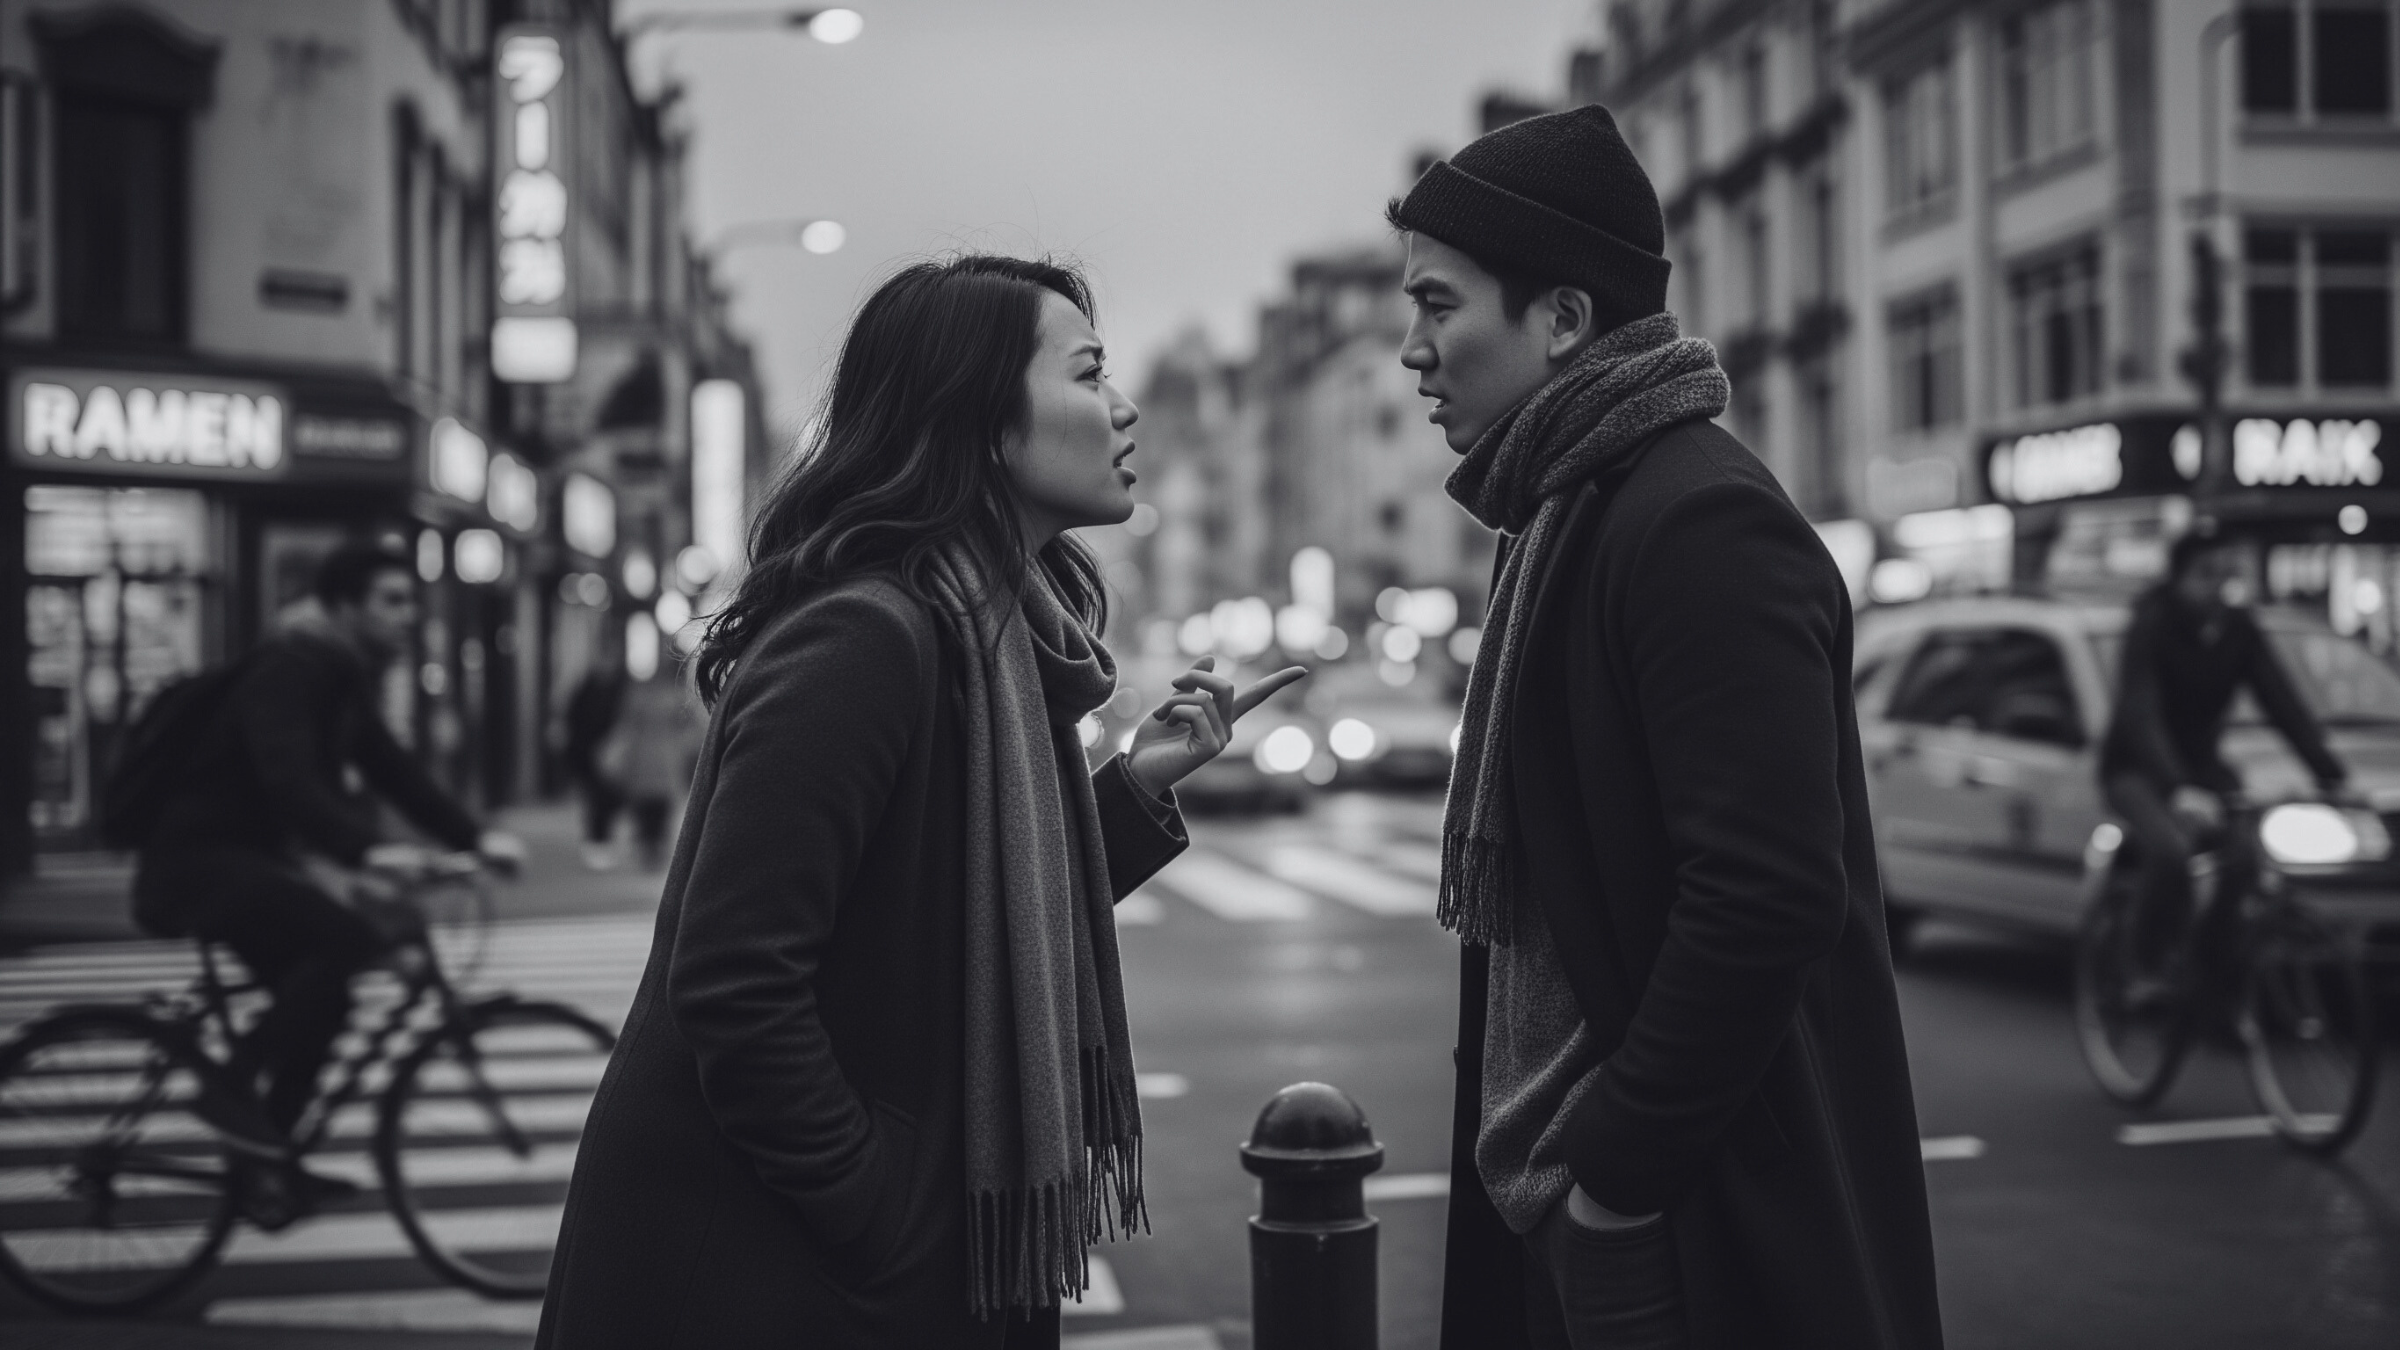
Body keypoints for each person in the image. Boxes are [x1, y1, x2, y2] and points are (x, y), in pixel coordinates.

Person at [537, 255, 1306, 1349]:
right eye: (1088, 375)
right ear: (982, 424)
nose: (1124, 407)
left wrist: (1133, 787)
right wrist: (878, 1209)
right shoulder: (868, 635)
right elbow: (736, 978)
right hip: (762, 1274)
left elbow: (966, 902)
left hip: (846, 1260)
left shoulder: (977, 628)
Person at [1388, 106, 1943, 1349]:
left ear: (1565, 319)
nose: (1410, 349)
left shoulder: (1694, 522)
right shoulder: (1571, 513)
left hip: (1689, 1215)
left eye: (1437, 304)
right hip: (1590, 1191)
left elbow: (1763, 894)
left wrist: (1615, 1178)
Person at [132, 540, 523, 1162]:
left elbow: (395, 771)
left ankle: (270, 1161)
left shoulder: (338, 677)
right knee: (343, 939)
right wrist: (364, 851)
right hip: (198, 861)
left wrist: (472, 838)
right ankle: (230, 1091)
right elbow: (289, 781)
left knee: (327, 990)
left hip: (247, 861)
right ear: (343, 607)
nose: (408, 615)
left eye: (411, 602)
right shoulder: (290, 669)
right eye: (391, 601)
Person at [2099, 534, 2347, 972]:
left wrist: (2327, 770)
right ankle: (2143, 966)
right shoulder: (2152, 623)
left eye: (2224, 574)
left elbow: (2280, 699)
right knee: (2171, 854)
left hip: (2201, 766)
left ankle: (2215, 984)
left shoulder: (2239, 630)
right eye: (2204, 575)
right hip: (2136, 768)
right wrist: (2177, 787)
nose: (2217, 586)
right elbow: (2142, 712)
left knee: (2245, 859)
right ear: (2177, 579)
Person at [595, 668, 705, 869]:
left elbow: (624, 726)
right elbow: (694, 729)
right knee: (658, 805)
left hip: (644, 756)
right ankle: (654, 847)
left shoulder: (637, 695)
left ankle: (647, 846)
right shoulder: (676, 696)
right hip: (666, 756)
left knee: (646, 804)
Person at [560, 663, 628, 870]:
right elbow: (572, 722)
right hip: (587, 756)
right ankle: (597, 843)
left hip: (607, 756)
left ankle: (601, 842)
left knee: (605, 800)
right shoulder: (586, 694)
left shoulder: (616, 693)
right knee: (596, 799)